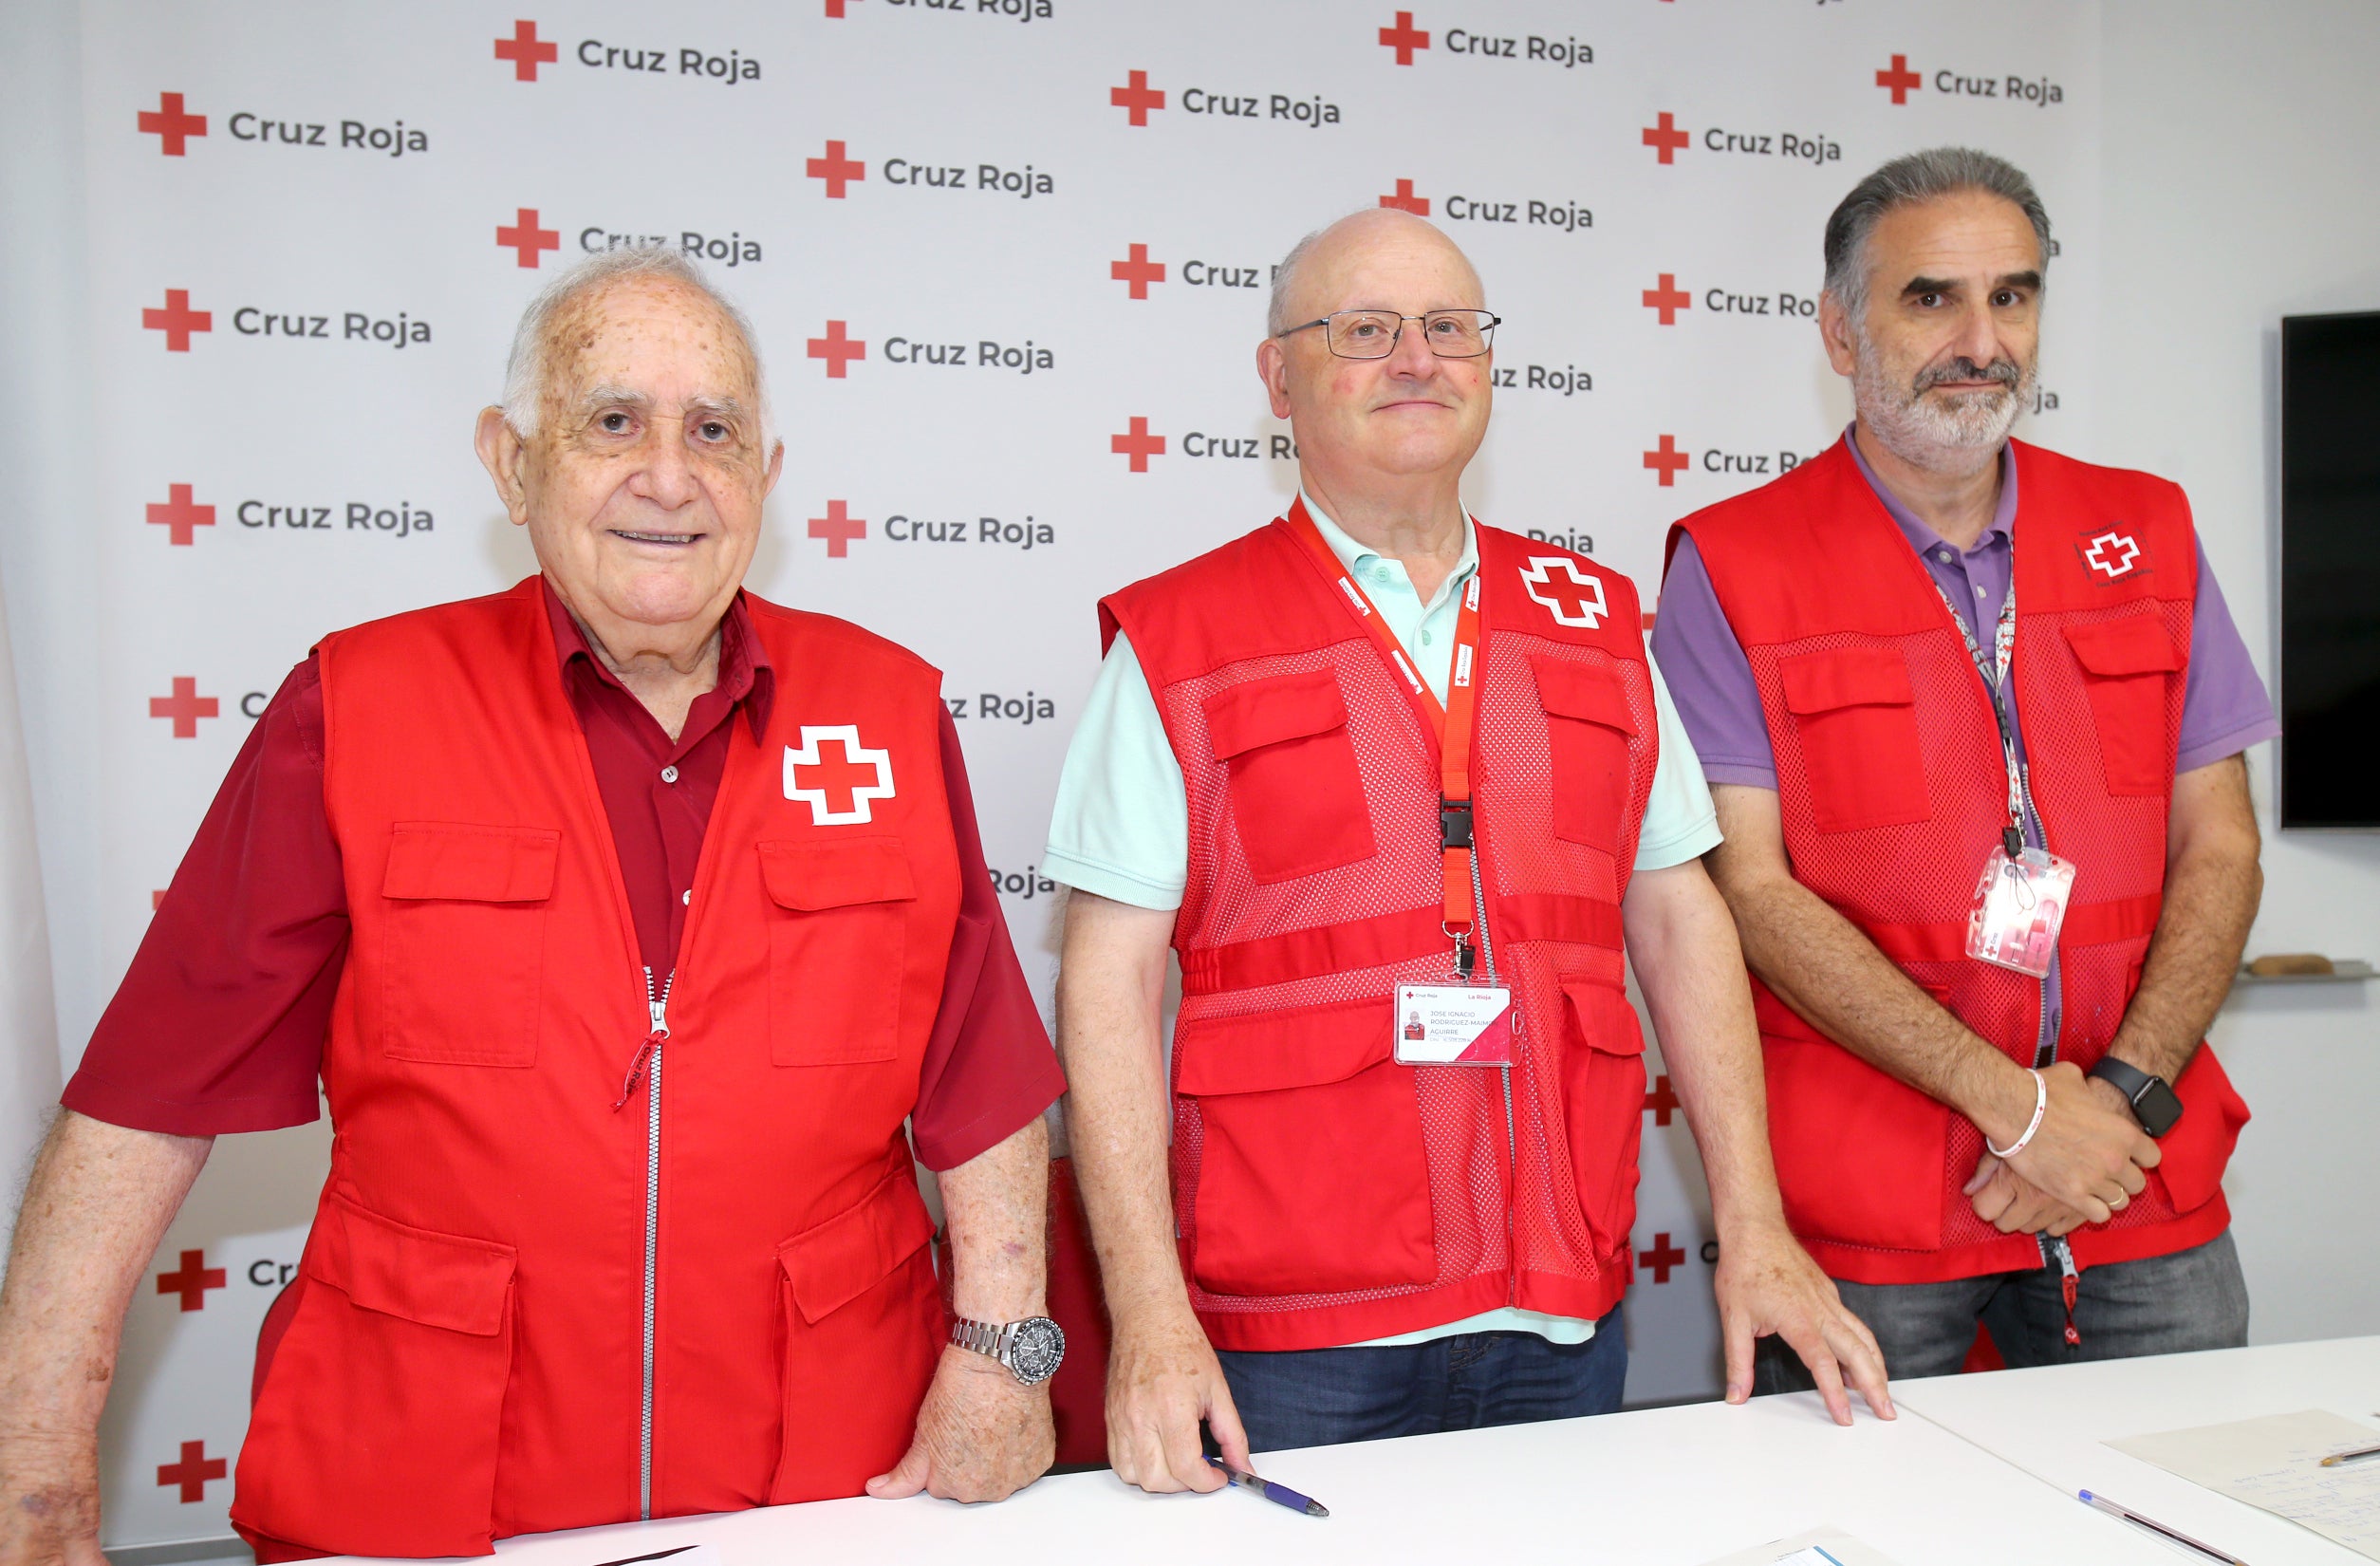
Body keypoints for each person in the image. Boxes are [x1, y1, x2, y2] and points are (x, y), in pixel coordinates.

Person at [0, 249, 1067, 1562]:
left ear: (768, 479)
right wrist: (37, 1468)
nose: (669, 476)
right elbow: (148, 1097)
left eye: (713, 429)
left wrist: (1008, 1355)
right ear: (511, 462)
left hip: (826, 1478)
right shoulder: (357, 709)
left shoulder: (888, 711)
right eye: (611, 419)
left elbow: (984, 1077)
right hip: (429, 1481)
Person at [1048, 208, 1890, 1496]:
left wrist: (1757, 1229)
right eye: (1365, 331)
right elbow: (1106, 986)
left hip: (1561, 1315)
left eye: (1449, 328)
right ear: (1278, 378)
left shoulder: (1597, 619)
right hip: (1294, 1337)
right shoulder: (1181, 636)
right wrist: (1150, 1316)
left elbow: (1680, 923)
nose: (1416, 359)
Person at [1652, 149, 2271, 1388]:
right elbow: (1754, 896)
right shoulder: (1731, 563)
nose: (1981, 339)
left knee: (2178, 1511)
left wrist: (2117, 1103)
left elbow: (2225, 846)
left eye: (2014, 296)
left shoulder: (2146, 529)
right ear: (1840, 328)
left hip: (2133, 1172)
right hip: (1868, 1206)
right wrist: (2018, 1107)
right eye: (1930, 297)